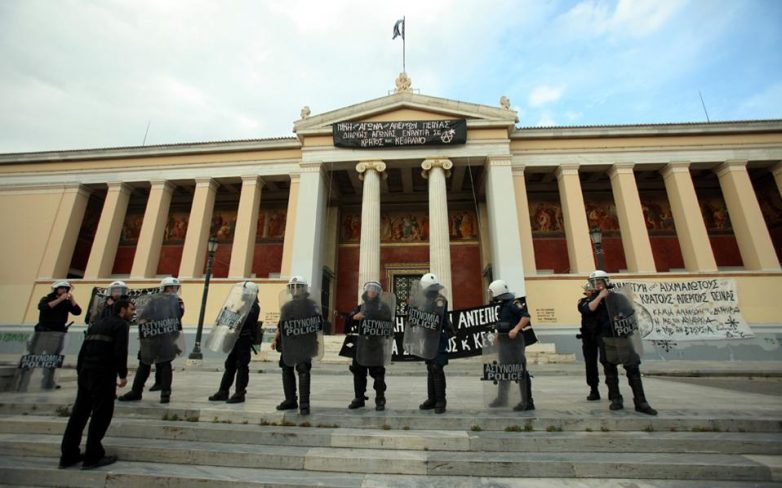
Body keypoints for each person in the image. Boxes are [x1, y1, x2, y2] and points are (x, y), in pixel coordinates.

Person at [59, 297, 132, 470]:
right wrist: (122, 375)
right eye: (131, 309)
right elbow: (120, 350)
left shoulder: (97, 324)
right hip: (103, 373)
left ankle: (68, 455)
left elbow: (83, 350)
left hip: (86, 372)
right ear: (122, 310)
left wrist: (80, 371)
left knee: (79, 414)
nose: (133, 312)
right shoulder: (121, 325)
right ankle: (93, 456)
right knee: (101, 414)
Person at [587, 270, 657, 416]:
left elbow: (628, 312)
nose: (596, 285)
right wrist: (600, 297)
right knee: (610, 370)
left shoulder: (618, 298)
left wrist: (620, 317)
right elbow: (588, 310)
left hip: (622, 337)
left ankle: (641, 401)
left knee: (632, 369)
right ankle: (616, 399)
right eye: (594, 283)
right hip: (605, 339)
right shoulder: (591, 300)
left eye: (599, 282)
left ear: (606, 282)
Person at [118, 277, 184, 404]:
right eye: (171, 287)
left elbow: (179, 316)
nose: (173, 290)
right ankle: (136, 391)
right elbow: (144, 317)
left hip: (167, 337)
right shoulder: (154, 300)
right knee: (144, 363)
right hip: (152, 337)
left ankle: (165, 393)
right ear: (164, 288)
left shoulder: (177, 301)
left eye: (175, 288)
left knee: (165, 364)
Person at [272, 276, 322, 416]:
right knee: (286, 369)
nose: (295, 289)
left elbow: (317, 323)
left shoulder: (311, 305)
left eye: (298, 286)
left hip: (305, 343)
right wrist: (275, 339)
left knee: (303, 370)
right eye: (292, 287)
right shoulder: (287, 306)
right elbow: (281, 324)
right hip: (289, 343)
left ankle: (304, 404)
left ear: (303, 288)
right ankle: (290, 400)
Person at [209, 281, 261, 404]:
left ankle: (240, 393)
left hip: (244, 339)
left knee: (242, 366)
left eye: (245, 292)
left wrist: (234, 318)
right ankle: (223, 391)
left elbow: (246, 322)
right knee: (230, 364)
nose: (243, 294)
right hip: (236, 339)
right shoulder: (243, 305)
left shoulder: (254, 307)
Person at [488, 279, 534, 411]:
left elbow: (526, 317)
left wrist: (516, 329)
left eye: (492, 292)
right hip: (505, 342)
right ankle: (502, 399)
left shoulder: (514, 303)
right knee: (504, 370)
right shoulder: (503, 305)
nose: (491, 295)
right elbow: (504, 322)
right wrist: (498, 334)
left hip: (514, 342)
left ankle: (527, 401)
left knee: (520, 371)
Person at [347, 281, 393, 411]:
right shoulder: (360, 307)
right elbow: (349, 321)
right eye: (369, 289)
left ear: (378, 293)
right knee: (358, 372)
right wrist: (354, 317)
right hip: (361, 345)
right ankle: (359, 398)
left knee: (378, 373)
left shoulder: (383, 308)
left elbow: (388, 324)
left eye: (374, 290)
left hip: (376, 345)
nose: (371, 291)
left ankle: (380, 399)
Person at [30, 280, 82, 390]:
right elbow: (44, 308)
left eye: (66, 288)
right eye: (62, 288)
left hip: (57, 334)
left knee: (52, 359)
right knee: (33, 357)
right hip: (43, 332)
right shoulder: (47, 298)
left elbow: (77, 312)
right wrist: (59, 300)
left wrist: (72, 299)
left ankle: (48, 382)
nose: (64, 290)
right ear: (56, 289)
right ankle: (24, 381)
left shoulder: (66, 302)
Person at [414, 273, 450, 415]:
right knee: (430, 367)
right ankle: (432, 399)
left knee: (437, 368)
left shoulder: (439, 300)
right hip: (428, 338)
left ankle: (441, 400)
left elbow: (437, 318)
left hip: (438, 338)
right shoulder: (425, 300)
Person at [577, 281, 604, 401]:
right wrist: (599, 297)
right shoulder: (583, 302)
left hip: (602, 334)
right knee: (590, 363)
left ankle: (613, 390)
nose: (588, 292)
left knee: (607, 362)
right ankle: (594, 389)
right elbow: (589, 309)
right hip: (588, 336)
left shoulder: (604, 300)